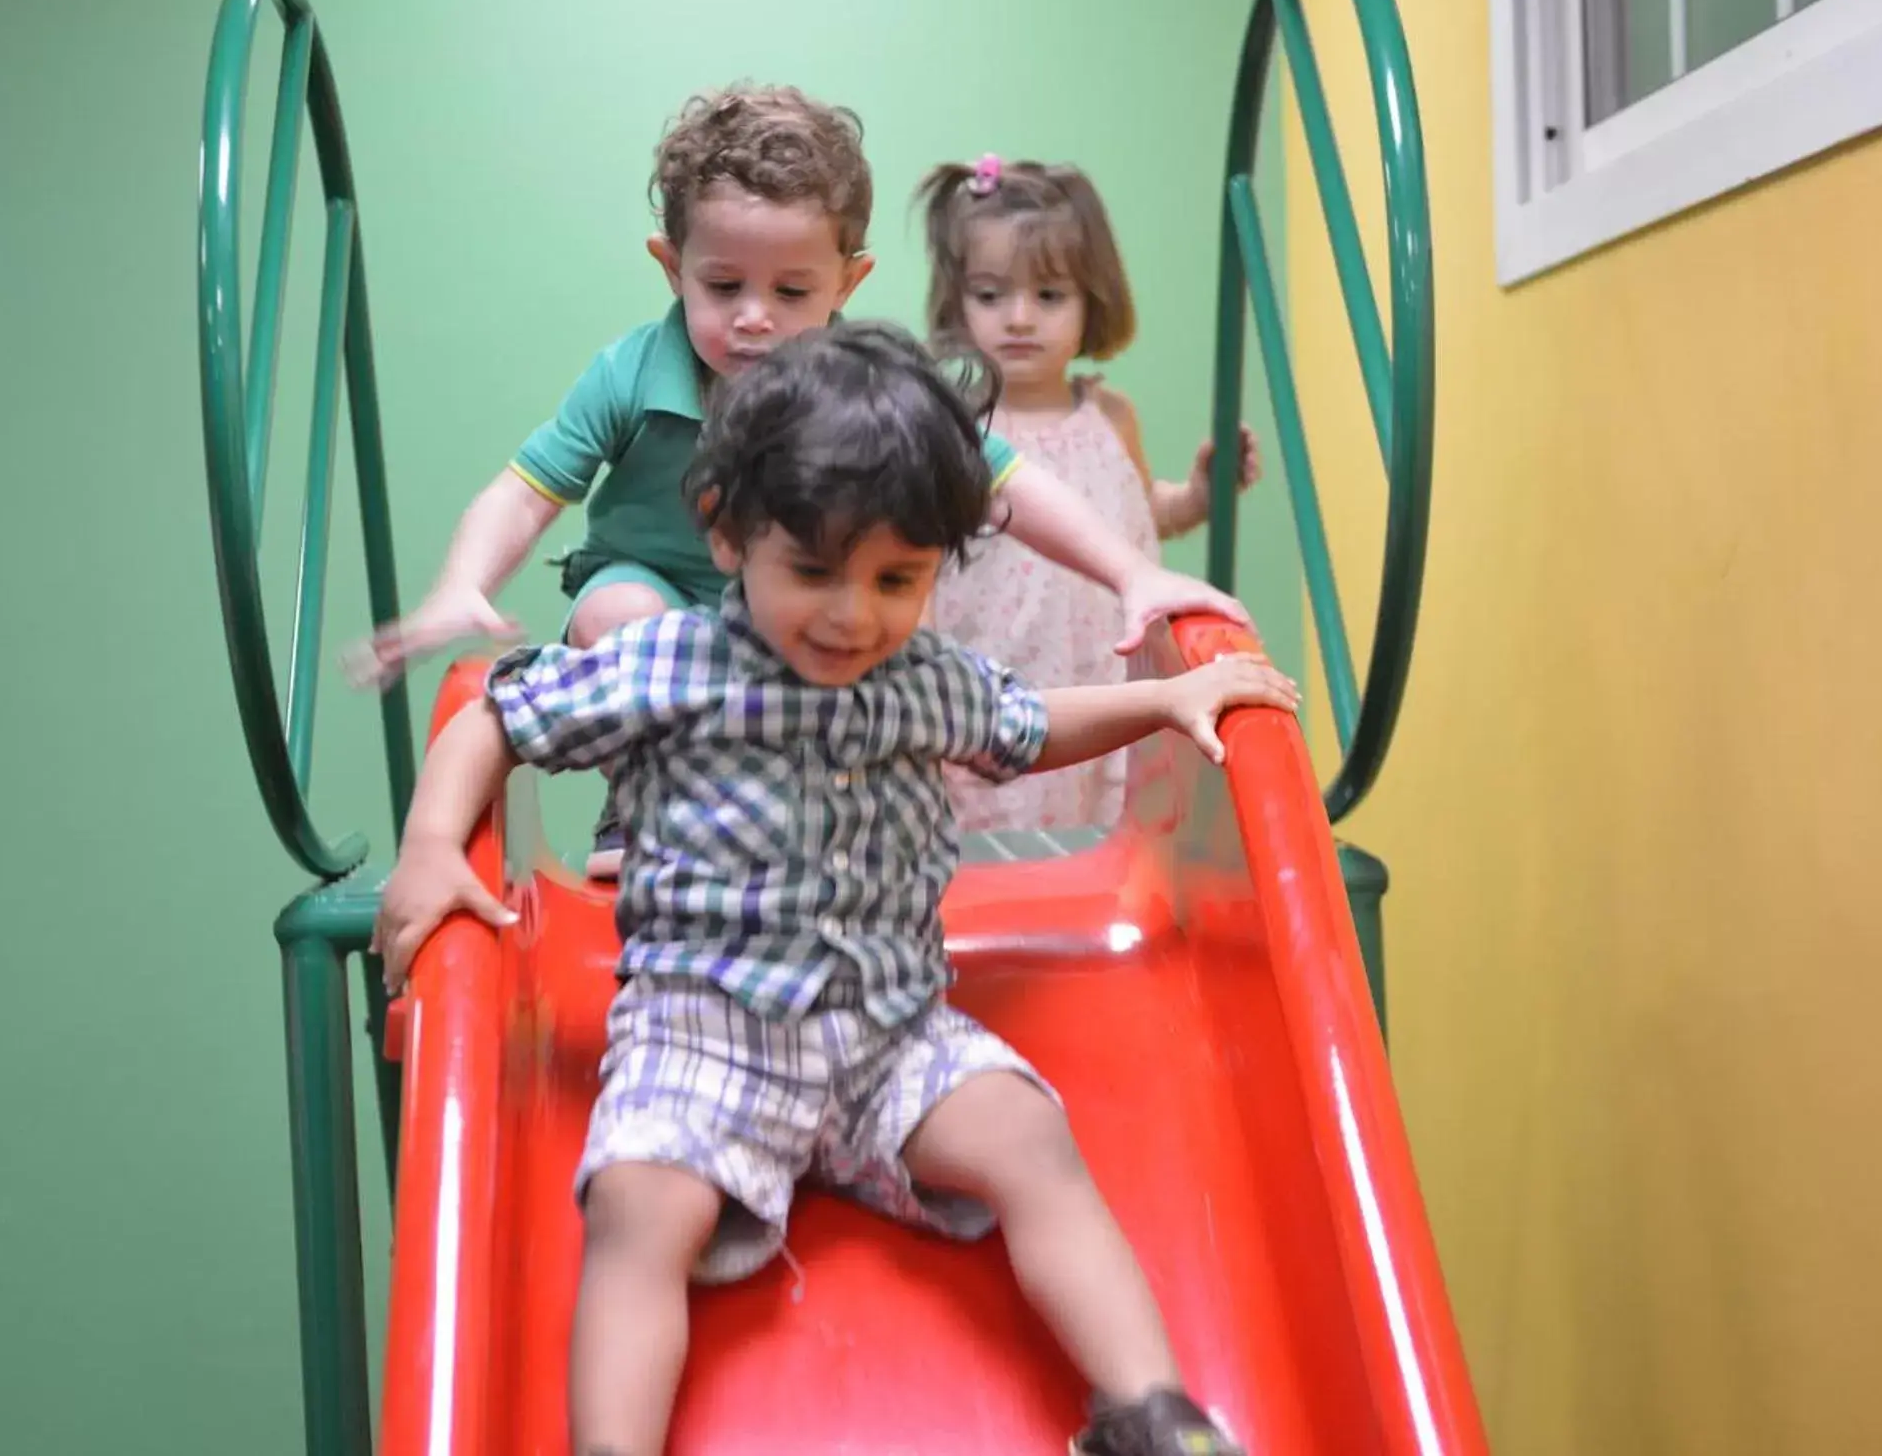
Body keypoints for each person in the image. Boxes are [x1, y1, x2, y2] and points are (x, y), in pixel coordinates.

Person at [372, 321, 1294, 1456]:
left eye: (896, 578)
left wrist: (1161, 703)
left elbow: (1027, 723)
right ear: (725, 536)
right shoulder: (667, 666)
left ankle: (1152, 1413)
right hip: (700, 1033)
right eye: (811, 570)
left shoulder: (918, 679)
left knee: (1029, 1137)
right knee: (635, 1203)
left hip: (889, 1035)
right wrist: (427, 844)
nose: (851, 614)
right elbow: (495, 720)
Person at [343, 88, 1249, 874]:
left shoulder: (857, 384)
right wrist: (461, 585)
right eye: (723, 283)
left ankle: (832, 835)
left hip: (806, 596)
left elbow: (1004, 483)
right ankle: (648, 808)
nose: (752, 319)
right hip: (655, 588)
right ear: (671, 266)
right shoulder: (628, 373)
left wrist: (1131, 573)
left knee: (881, 648)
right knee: (626, 620)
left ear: (847, 282)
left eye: (790, 292)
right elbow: (526, 489)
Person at [916, 154, 1266, 833]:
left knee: (1107, 827)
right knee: (1006, 826)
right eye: (990, 295)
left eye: (1048, 296)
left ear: (1091, 300)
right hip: (1008, 669)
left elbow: (1138, 515)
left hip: (1107, 672)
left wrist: (1197, 493)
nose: (1019, 318)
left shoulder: (1110, 415)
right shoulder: (953, 426)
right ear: (957, 300)